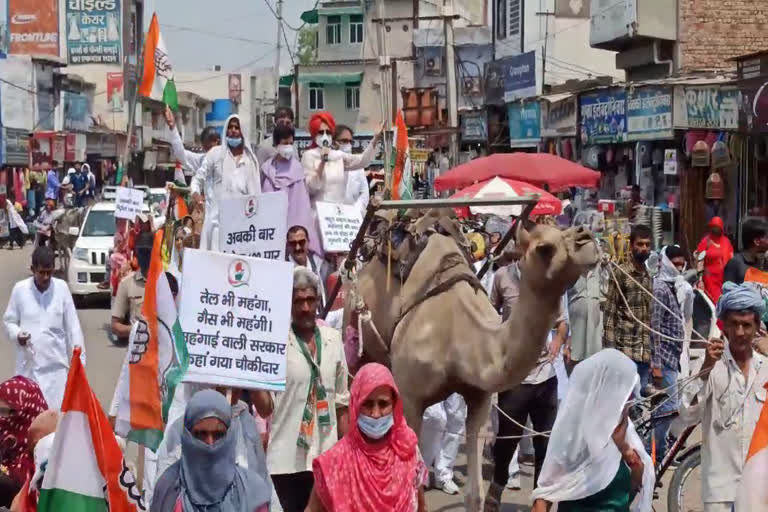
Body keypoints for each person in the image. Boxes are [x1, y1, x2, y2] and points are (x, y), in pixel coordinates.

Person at [251, 267, 349, 512]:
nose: (305, 307)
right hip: (286, 462)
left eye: (310, 300)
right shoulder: (276, 343)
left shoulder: (332, 339)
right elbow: (265, 409)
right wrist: (252, 380)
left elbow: (341, 401)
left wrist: (347, 453)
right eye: (298, 301)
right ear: (289, 303)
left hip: (326, 457)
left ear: (317, 301)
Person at [485, 247, 568, 509]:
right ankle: (496, 488)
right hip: (515, 377)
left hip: (546, 375)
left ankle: (539, 502)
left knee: (545, 443)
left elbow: (562, 321)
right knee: (506, 442)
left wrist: (558, 339)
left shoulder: (551, 280)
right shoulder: (502, 277)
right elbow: (489, 316)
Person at [679, 282, 768, 512]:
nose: (740, 332)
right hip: (720, 492)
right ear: (724, 327)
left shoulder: (766, 368)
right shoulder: (709, 364)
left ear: (757, 326)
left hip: (759, 490)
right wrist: (705, 370)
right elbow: (686, 414)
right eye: (734, 325)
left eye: (746, 325)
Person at [531, 349, 654, 512]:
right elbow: (544, 497)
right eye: (627, 393)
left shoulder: (625, 432)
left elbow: (633, 487)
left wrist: (624, 448)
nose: (630, 400)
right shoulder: (573, 438)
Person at [306, 363, 426, 512]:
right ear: (355, 404)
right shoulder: (335, 462)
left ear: (394, 405)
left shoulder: (408, 451)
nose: (375, 414)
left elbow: (422, 507)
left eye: (383, 404)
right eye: (367, 404)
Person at [151, 389, 272, 512]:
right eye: (201, 434)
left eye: (218, 434)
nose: (210, 443)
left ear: (230, 436)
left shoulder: (253, 491)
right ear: (187, 436)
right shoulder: (168, 488)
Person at [3, 247, 85, 409]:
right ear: (33, 269)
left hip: (57, 371)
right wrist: (18, 335)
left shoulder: (61, 289)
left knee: (55, 423)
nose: (46, 277)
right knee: (30, 423)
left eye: (49, 272)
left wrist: (79, 364)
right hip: (29, 371)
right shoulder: (20, 290)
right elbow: (9, 322)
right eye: (41, 273)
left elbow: (73, 328)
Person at [301, 112, 379, 254]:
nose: (324, 135)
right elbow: (311, 187)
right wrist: (322, 164)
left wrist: (375, 140)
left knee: (341, 260)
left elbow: (361, 161)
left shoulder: (338, 156)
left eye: (327, 132)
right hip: (318, 218)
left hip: (337, 220)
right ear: (314, 134)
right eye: (320, 132)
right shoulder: (308, 156)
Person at [191, 114, 261, 251]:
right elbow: (198, 178)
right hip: (218, 224)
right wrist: (195, 194)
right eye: (230, 127)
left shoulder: (250, 161)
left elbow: (257, 194)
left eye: (237, 127)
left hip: (243, 227)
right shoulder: (216, 154)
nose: (233, 130)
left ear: (243, 131)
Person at [648, 245, 690, 461]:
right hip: (662, 359)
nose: (679, 267)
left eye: (682, 263)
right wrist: (656, 365)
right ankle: (653, 455)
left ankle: (653, 459)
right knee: (668, 408)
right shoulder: (660, 288)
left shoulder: (672, 286)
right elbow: (653, 327)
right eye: (675, 263)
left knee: (663, 411)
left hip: (672, 358)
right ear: (665, 262)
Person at [603, 224, 653, 386]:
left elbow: (650, 318)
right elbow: (609, 315)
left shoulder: (649, 276)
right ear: (631, 246)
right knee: (624, 404)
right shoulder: (620, 273)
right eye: (640, 244)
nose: (644, 248)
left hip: (644, 353)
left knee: (641, 405)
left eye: (647, 244)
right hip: (624, 352)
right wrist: (610, 354)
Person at [261, 123, 315, 240]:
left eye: (291, 143)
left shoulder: (297, 170)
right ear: (276, 144)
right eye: (285, 143)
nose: (289, 147)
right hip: (271, 229)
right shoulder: (266, 169)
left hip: (294, 232)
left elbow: (302, 206)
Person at [0, 377, 48, 505]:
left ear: (27, 411)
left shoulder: (43, 451)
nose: (3, 418)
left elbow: (31, 497)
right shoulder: (3, 432)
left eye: (10, 412)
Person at [110, 231, 154, 340]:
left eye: (148, 252)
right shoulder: (126, 283)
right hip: (136, 351)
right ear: (136, 254)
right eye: (141, 252)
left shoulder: (165, 283)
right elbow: (115, 326)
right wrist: (136, 330)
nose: (145, 257)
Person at [420, 394, 466, 495]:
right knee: (434, 416)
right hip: (433, 378)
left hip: (457, 379)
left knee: (457, 418)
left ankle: (443, 475)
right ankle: (422, 471)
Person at [565, 263, 604, 374]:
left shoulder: (600, 266)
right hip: (573, 329)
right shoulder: (568, 265)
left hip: (595, 331)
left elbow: (605, 293)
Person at [164, 106, 221, 179]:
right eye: (206, 148)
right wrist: (172, 127)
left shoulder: (227, 162)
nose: (209, 152)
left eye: (210, 147)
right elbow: (181, 154)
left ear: (217, 142)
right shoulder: (201, 161)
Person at [286, 225, 328, 309]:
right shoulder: (283, 269)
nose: (297, 247)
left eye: (301, 242)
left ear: (308, 242)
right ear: (288, 245)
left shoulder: (320, 265)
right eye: (293, 244)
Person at [333, 124, 371, 215]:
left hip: (354, 219)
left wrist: (356, 210)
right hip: (332, 217)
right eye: (344, 141)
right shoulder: (327, 164)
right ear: (334, 142)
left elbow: (364, 193)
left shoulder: (357, 167)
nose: (348, 145)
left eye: (350, 142)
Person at [696, 217, 733, 304]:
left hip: (724, 279)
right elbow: (700, 261)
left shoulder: (726, 242)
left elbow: (731, 260)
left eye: (717, 227)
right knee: (716, 302)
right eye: (714, 226)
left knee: (726, 302)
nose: (716, 229)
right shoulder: (705, 242)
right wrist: (700, 280)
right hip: (710, 279)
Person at [723, 216, 768, 285]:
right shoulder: (735, 263)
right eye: (767, 238)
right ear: (757, 241)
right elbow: (727, 292)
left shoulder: (762, 263)